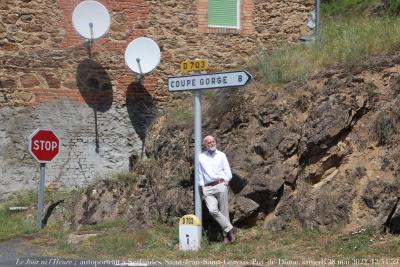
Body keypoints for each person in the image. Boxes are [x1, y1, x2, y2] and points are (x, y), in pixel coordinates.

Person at [198, 135, 235, 244]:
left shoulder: (221, 155)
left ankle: (226, 236)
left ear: (216, 142)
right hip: (208, 188)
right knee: (213, 210)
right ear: (205, 144)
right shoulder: (201, 157)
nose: (211, 143)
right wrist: (202, 187)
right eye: (209, 142)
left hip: (220, 185)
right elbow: (200, 174)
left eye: (213, 141)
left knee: (224, 211)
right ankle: (230, 228)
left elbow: (227, 170)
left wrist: (226, 181)